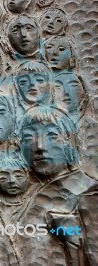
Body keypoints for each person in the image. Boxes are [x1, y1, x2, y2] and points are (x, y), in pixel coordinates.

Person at [16, 105, 98, 265]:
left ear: (70, 142)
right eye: (28, 138)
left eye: (52, 135)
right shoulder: (22, 193)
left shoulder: (90, 193)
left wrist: (74, 241)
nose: (39, 147)